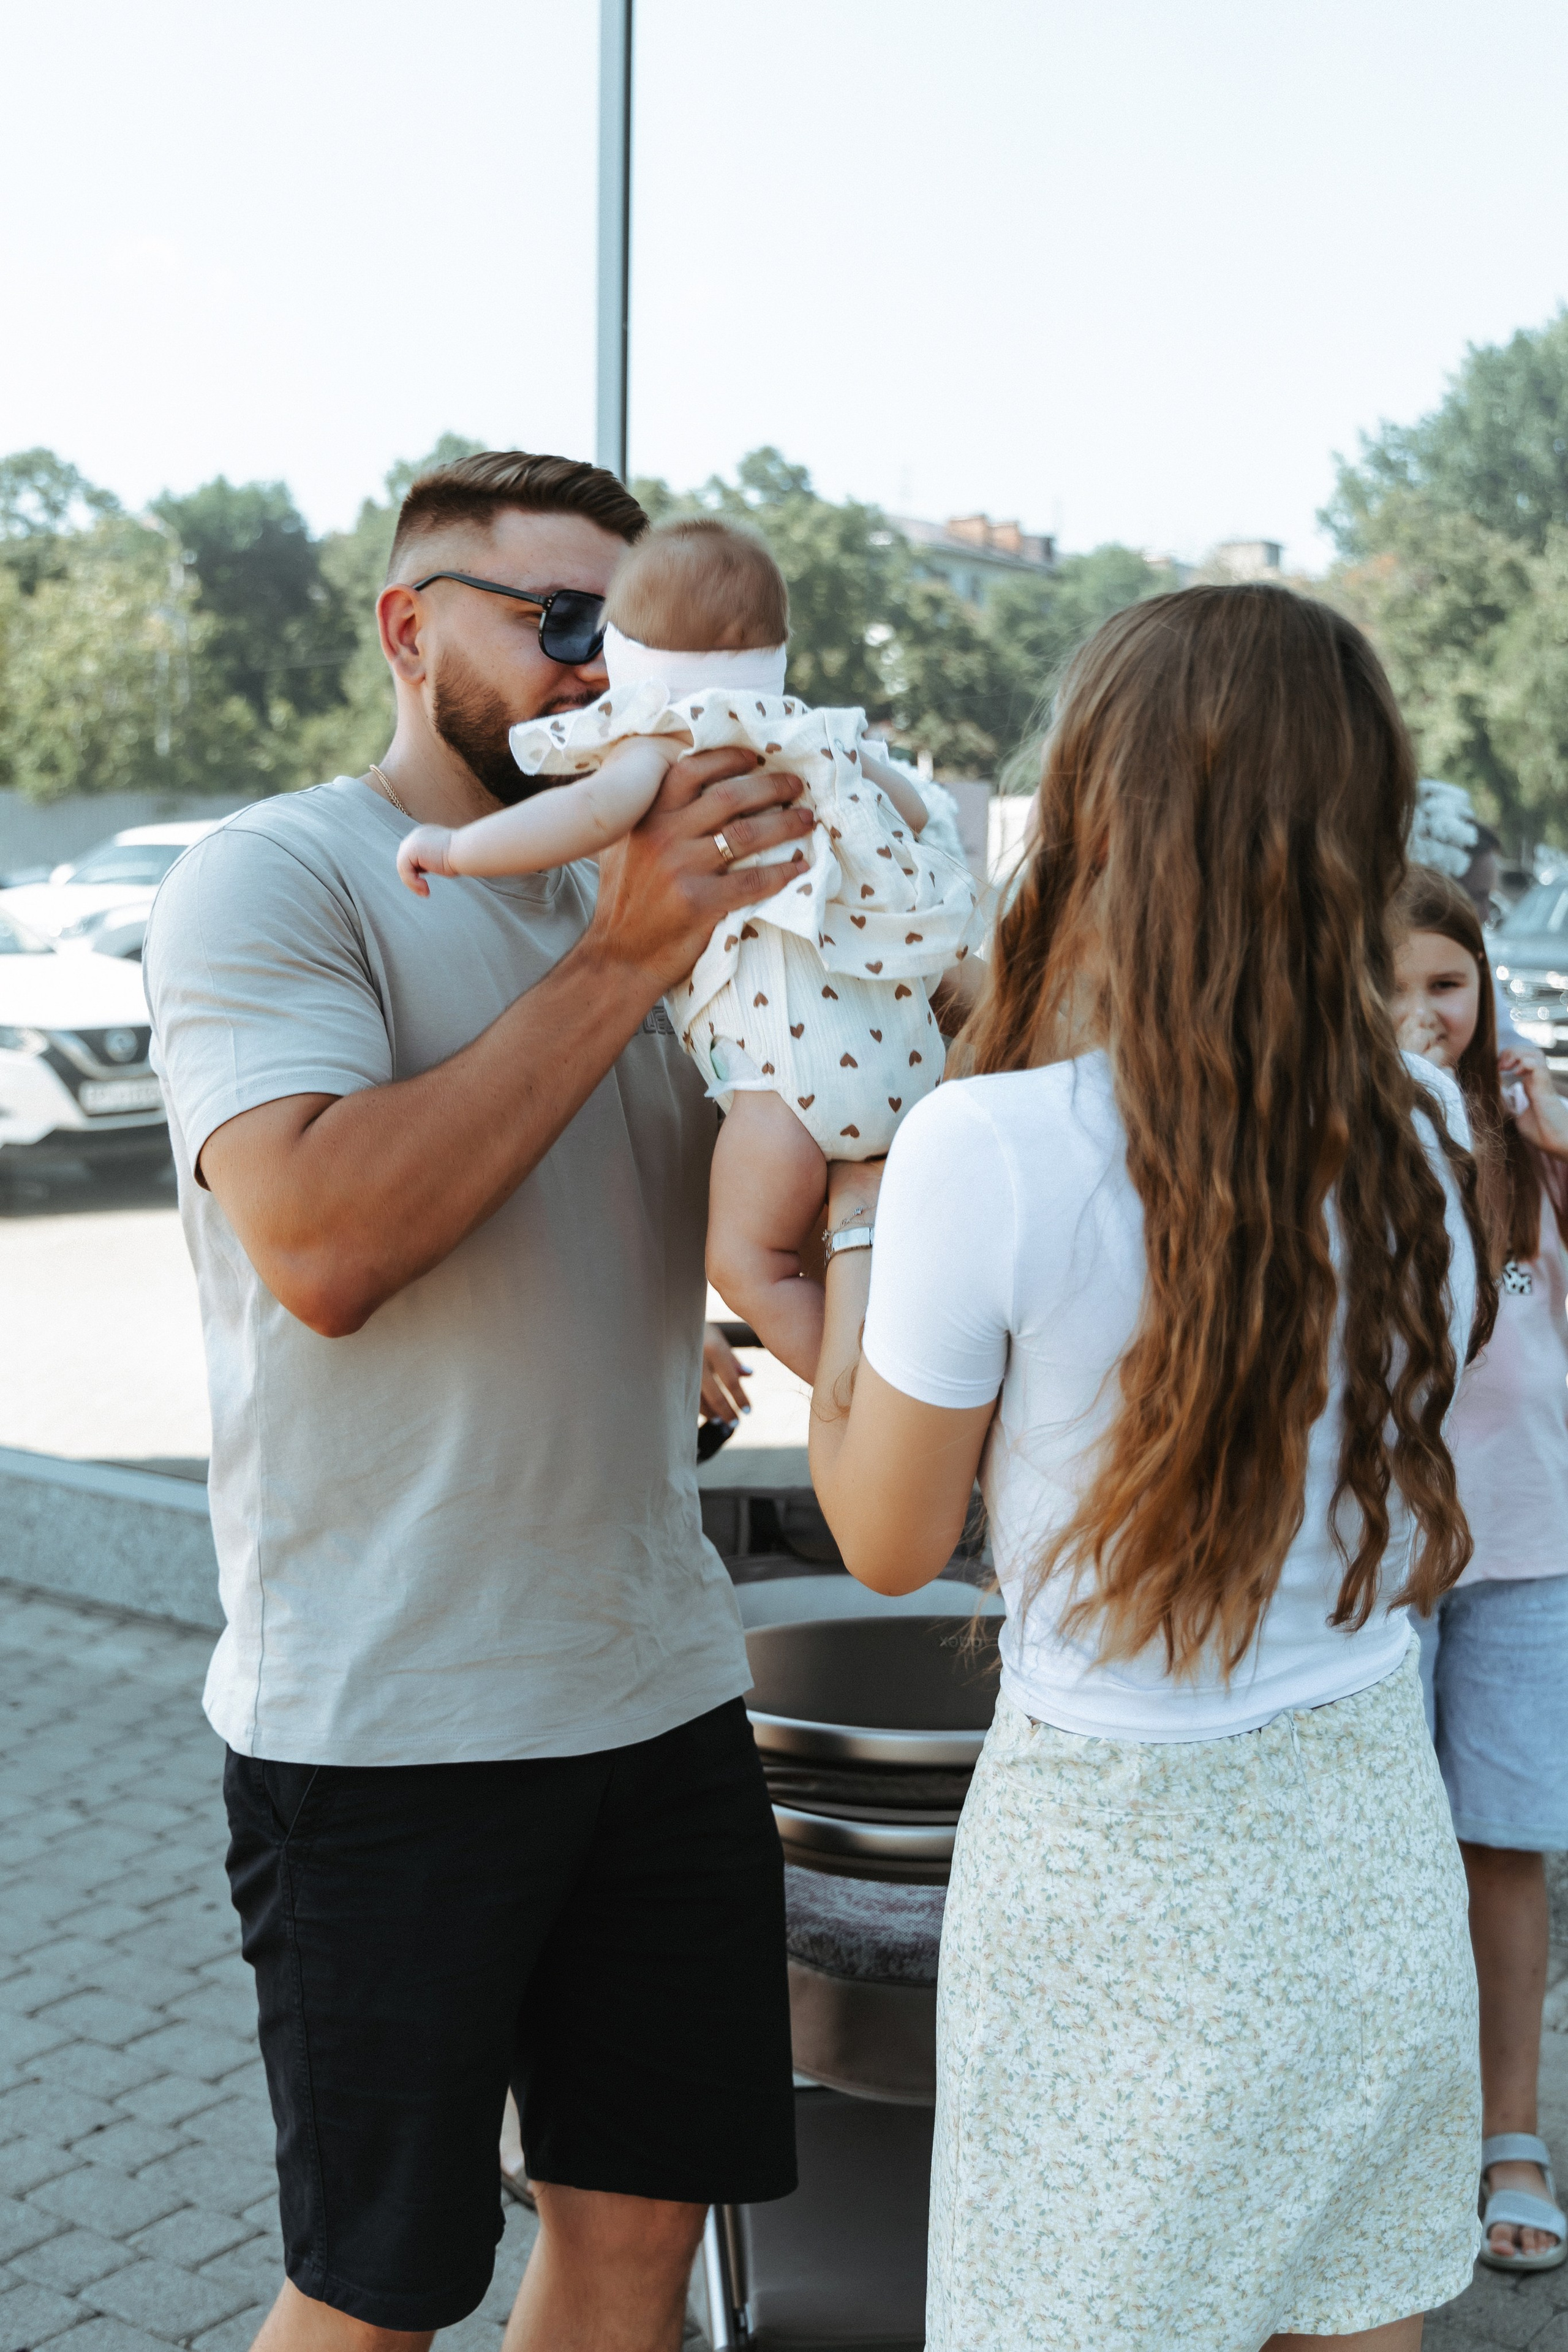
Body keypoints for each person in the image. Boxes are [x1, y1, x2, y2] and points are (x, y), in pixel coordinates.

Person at [143, 450, 814, 2352]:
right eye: (563, 623)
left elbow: (730, 1195)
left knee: (632, 2253)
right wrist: (625, 950)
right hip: (388, 1727)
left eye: (640, 637)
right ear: (408, 622)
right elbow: (327, 1250)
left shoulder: (654, 905)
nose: (607, 676)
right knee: (377, 2292)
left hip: (662, 1691)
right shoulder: (281, 874)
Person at [807, 584, 1497, 2351]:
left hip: (1114, 1870)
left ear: (1104, 806)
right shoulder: (1426, 1121)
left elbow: (885, 1539)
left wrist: (863, 1232)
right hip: (1361, 1826)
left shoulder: (988, 1147)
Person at [397, 514, 978, 1378]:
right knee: (912, 1262)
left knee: (751, 1265)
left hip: (786, 1086)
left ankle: (881, 1412)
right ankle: (939, 1386)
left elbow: (582, 816)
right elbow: (926, 818)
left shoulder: (665, 745)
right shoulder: (823, 737)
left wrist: (452, 848)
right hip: (903, 1056)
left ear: (632, 655)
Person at [1390, 865, 1568, 2272]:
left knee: (1502, 1850)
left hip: (1525, 1551)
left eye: (1443, 985)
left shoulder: (1523, 1145)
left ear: (1482, 990)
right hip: (1376, 1566)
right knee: (1384, 1858)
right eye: (1387, 987)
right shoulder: (1326, 1143)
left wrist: (1550, 1140)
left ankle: (1509, 2130)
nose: (1419, 1013)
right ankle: (1397, 2134)